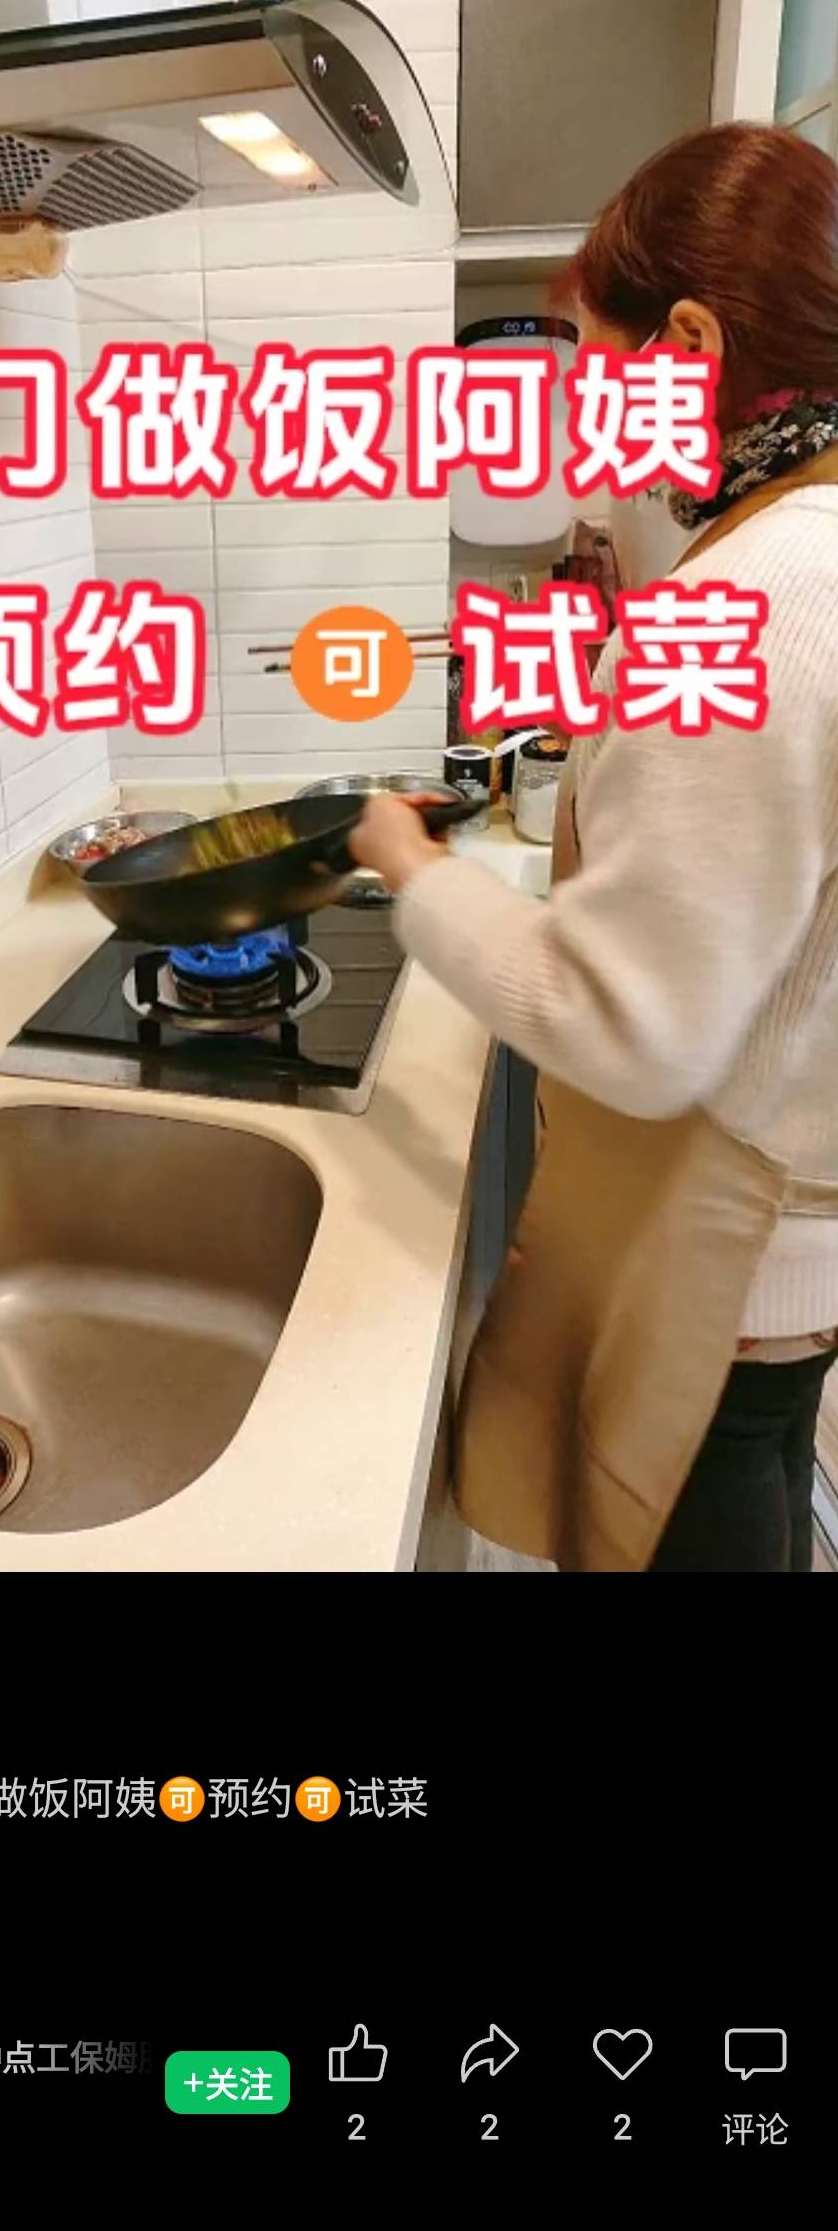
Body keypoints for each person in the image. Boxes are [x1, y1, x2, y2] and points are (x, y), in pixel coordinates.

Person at [350, 122, 838, 1573]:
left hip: (719, 1253)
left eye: (599, 360)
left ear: (689, 345)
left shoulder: (761, 599)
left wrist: (409, 867)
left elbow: (623, 1023)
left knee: (707, 1502)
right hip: (783, 1231)